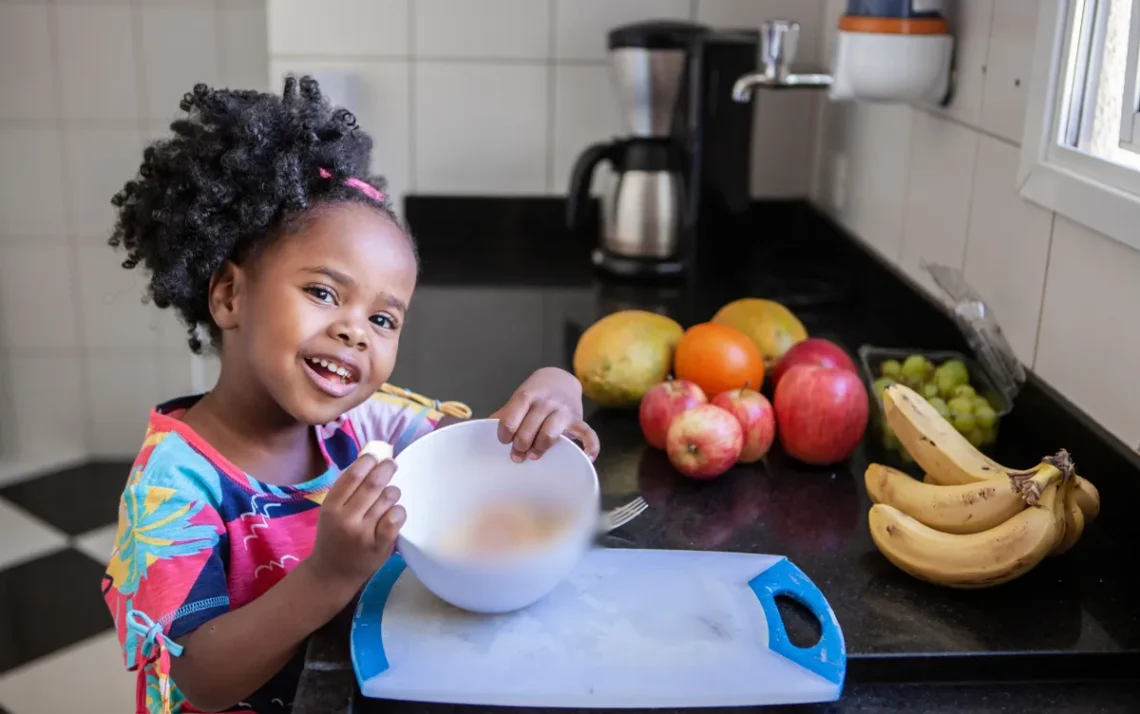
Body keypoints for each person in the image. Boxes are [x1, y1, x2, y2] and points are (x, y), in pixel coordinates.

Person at [101, 76, 600, 714]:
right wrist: (328, 575)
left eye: (383, 319)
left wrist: (553, 398)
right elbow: (199, 677)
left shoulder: (366, 423)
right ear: (230, 296)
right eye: (323, 293)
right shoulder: (173, 487)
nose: (354, 332)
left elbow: (479, 458)